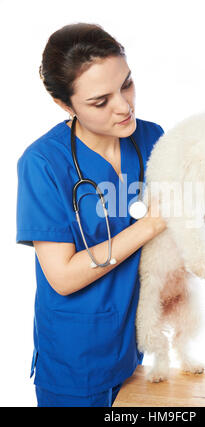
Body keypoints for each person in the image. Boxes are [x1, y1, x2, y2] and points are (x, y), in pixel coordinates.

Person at [16, 22, 167, 407]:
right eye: (101, 102)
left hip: (133, 350)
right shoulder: (44, 163)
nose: (124, 106)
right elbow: (63, 277)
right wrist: (150, 225)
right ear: (65, 106)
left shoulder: (152, 140)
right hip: (74, 362)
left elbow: (179, 222)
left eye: (127, 84)